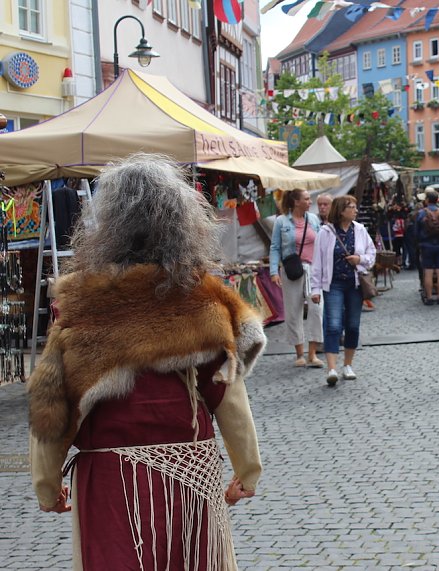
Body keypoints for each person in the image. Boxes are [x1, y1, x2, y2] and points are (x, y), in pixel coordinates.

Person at [28, 153, 266, 569]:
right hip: (189, 472)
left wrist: (47, 485)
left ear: (107, 224)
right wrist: (247, 470)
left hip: (111, 477)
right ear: (183, 222)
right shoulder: (200, 297)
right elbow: (227, 392)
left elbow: (53, 405)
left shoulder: (84, 305)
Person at [311, 195, 376, 387]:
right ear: (341, 211)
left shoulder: (360, 230)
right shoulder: (326, 232)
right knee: (333, 325)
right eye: (352, 207)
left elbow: (372, 254)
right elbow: (317, 262)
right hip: (333, 285)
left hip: (355, 285)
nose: (356, 210)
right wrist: (315, 289)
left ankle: (348, 365)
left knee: (353, 326)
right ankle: (331, 368)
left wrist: (360, 259)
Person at [270, 189, 324, 368]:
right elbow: (275, 247)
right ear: (296, 202)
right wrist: (274, 271)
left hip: (313, 270)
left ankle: (313, 353)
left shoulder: (314, 219)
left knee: (317, 310)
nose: (310, 202)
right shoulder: (281, 221)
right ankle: (300, 353)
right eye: (307, 199)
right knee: (293, 311)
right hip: (292, 270)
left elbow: (321, 244)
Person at [416, 189, 439, 305]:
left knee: (428, 271)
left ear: (427, 200)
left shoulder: (421, 213)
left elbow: (416, 231)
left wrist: (418, 243)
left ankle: (429, 297)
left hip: (426, 245)